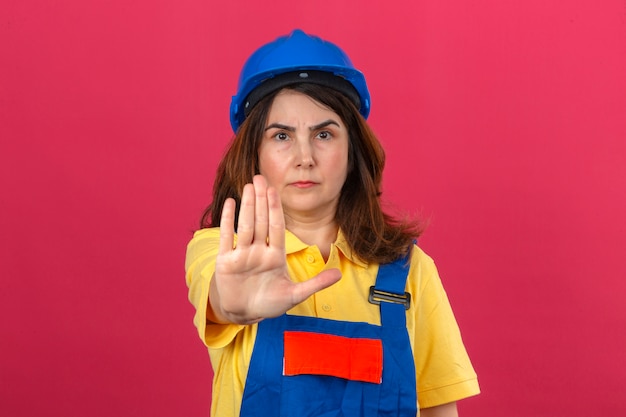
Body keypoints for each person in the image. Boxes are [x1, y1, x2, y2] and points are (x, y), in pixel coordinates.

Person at [185, 29, 480, 417]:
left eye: (324, 133)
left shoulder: (410, 272)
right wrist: (232, 304)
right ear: (253, 153)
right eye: (281, 136)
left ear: (352, 150)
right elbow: (221, 297)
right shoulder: (225, 251)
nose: (304, 157)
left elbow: (439, 410)